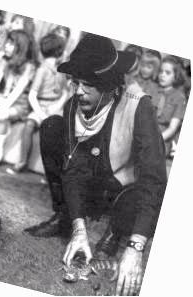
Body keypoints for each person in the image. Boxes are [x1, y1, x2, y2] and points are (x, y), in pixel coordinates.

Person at [24, 33, 167, 296]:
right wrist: (79, 229)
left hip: (123, 187)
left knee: (135, 195)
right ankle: (66, 215)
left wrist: (136, 248)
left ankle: (115, 233)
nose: (78, 91)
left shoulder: (139, 106)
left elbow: (155, 178)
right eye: (75, 82)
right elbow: (72, 170)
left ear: (109, 86)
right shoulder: (73, 105)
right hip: (91, 180)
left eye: (87, 84)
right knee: (51, 127)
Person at [6, 33, 68, 174]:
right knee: (29, 125)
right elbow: (32, 96)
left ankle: (52, 170)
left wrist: (56, 107)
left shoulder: (62, 71)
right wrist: (41, 114)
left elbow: (64, 93)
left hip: (55, 108)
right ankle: (22, 162)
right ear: (59, 52)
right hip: (40, 107)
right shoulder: (42, 70)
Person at [0, 30, 38, 164]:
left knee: (1, 114)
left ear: (21, 48)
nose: (6, 46)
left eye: (11, 44)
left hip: (19, 105)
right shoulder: (5, 61)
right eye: (7, 42)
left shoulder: (29, 66)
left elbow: (18, 91)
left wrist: (4, 105)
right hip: (3, 98)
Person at [153, 55, 187, 156]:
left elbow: (172, 128)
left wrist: (153, 141)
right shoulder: (152, 89)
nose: (162, 75)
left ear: (176, 76)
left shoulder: (179, 98)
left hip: (161, 138)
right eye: (161, 71)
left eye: (167, 73)